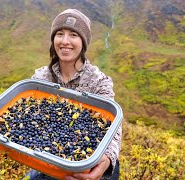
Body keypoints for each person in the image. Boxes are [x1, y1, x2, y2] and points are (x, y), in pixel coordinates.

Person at [29, 8, 122, 180]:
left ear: (83, 42)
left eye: (73, 34)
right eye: (59, 34)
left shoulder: (99, 82)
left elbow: (114, 126)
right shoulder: (40, 78)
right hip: (49, 159)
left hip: (87, 163)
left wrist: (107, 158)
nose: (65, 41)